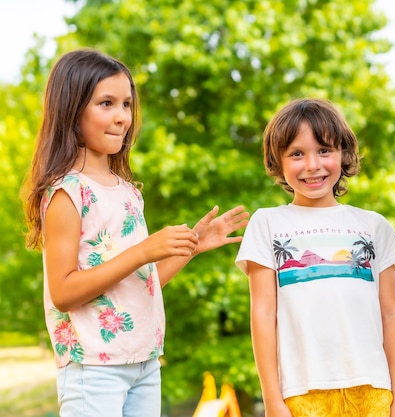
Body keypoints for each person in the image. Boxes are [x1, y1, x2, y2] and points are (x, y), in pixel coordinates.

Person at [22, 48, 249, 417]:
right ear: (71, 110)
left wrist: (188, 248)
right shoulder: (67, 193)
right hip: (93, 367)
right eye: (106, 103)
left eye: (126, 104)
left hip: (144, 361)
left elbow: (141, 282)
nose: (122, 117)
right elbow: (63, 292)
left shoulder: (128, 192)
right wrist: (143, 250)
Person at [235, 98, 395, 417]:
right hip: (301, 393)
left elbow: (392, 314)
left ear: (343, 154)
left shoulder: (373, 225)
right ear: (278, 161)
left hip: (373, 389)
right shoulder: (267, 223)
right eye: (296, 154)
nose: (312, 164)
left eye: (324, 150)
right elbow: (262, 314)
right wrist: (272, 401)